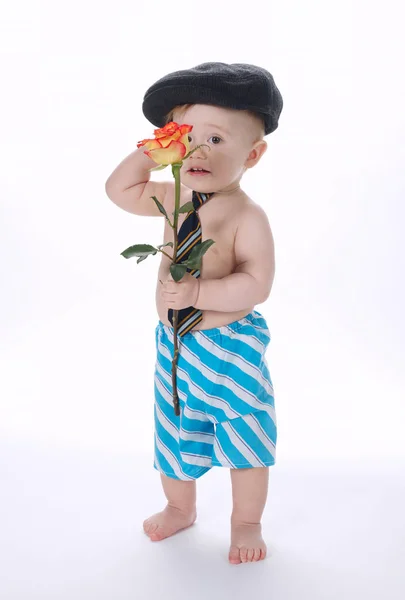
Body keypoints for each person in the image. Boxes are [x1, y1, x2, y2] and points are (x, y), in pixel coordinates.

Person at [105, 62, 283, 564]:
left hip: (230, 349)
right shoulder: (173, 197)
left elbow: (257, 282)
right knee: (174, 428)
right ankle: (178, 507)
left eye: (217, 140)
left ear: (253, 154)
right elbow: (119, 191)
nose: (198, 150)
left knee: (243, 432)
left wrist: (200, 292)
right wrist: (152, 152)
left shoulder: (246, 215)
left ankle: (246, 522)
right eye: (187, 137)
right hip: (176, 347)